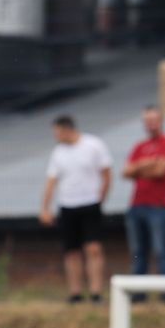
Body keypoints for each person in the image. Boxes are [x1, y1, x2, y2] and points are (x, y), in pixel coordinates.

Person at [38, 114, 112, 304]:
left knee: (93, 248)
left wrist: (100, 199)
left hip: (90, 204)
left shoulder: (93, 145)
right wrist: (45, 207)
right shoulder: (58, 152)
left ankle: (96, 292)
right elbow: (51, 181)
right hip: (68, 205)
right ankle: (75, 292)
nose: (56, 136)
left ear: (66, 129)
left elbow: (106, 174)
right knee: (71, 251)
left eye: (57, 132)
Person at [121, 106, 165, 282]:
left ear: (161, 122)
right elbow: (125, 172)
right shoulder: (140, 146)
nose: (151, 124)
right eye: (147, 121)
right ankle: (138, 292)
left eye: (154, 120)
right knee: (138, 251)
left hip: (158, 206)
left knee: (161, 249)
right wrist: (147, 163)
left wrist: (137, 167)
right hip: (137, 204)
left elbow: (161, 171)